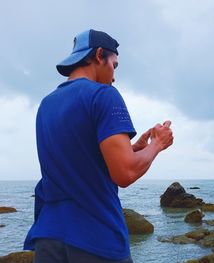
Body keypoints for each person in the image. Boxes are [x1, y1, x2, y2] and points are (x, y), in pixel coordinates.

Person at [23, 29, 173, 263]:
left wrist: (132, 149)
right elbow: (125, 173)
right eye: (114, 64)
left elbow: (79, 156)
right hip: (95, 237)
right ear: (99, 55)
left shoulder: (46, 105)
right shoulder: (104, 95)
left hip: (48, 237)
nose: (114, 76)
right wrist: (157, 145)